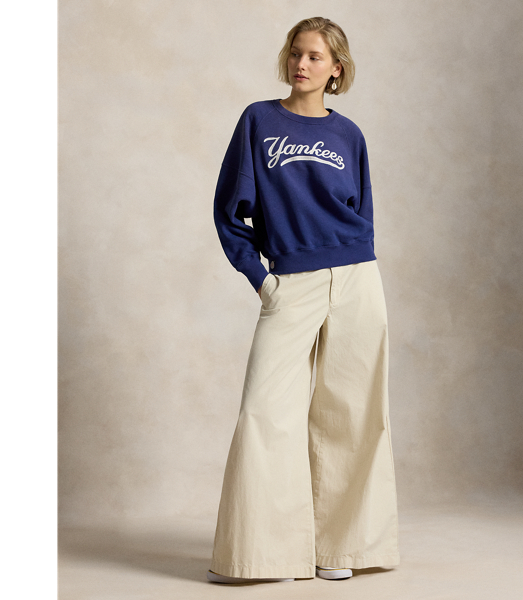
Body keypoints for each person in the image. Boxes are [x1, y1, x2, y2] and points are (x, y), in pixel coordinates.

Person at [207, 16, 400, 584]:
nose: (302, 64)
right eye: (296, 52)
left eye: (315, 56)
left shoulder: (349, 135)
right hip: (292, 280)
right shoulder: (259, 120)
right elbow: (228, 211)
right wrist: (262, 279)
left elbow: (361, 212)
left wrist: (357, 266)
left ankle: (342, 547)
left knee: (354, 412)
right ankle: (261, 555)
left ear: (336, 68)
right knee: (265, 410)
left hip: (357, 278)